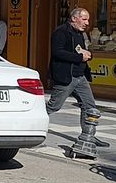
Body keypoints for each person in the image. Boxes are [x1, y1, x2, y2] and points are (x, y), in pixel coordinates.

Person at [46, 8, 109, 149]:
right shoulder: (61, 32)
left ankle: (89, 135)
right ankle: (29, 125)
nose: (87, 23)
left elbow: (79, 50)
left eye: (88, 19)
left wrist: (87, 55)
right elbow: (58, 52)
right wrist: (80, 57)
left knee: (89, 106)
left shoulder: (80, 34)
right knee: (53, 106)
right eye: (84, 19)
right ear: (74, 18)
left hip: (81, 77)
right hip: (66, 77)